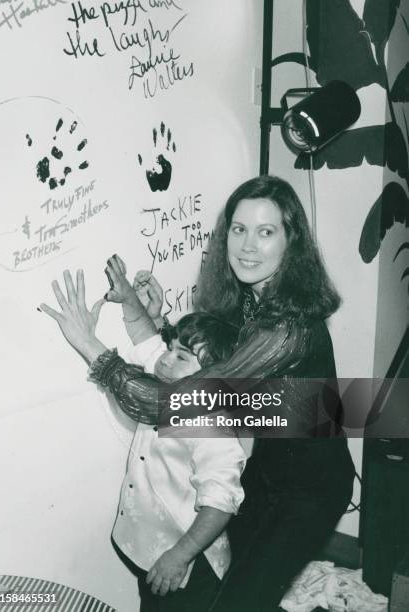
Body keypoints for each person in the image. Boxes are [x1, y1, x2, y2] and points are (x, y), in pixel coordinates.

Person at [41, 175, 355, 611]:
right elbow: (211, 367)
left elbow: (169, 404)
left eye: (266, 232)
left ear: (291, 242)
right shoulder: (252, 296)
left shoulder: (289, 330)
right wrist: (151, 316)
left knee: (243, 598)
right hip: (264, 466)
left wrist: (90, 345)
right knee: (236, 582)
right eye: (239, 229)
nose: (247, 245)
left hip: (310, 487)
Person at [41, 264, 245, 612]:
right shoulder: (168, 381)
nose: (166, 359)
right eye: (172, 348)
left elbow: (220, 503)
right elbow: (147, 340)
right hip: (149, 546)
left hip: (188, 563)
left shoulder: (213, 429)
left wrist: (179, 557)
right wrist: (130, 300)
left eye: (182, 356)